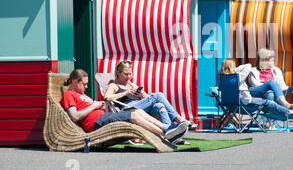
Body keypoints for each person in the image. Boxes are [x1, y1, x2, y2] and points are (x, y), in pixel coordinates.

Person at [60, 69, 188, 144]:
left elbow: (89, 107)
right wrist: (95, 105)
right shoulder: (69, 95)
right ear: (75, 82)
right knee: (134, 115)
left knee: (137, 112)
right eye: (84, 84)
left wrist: (99, 106)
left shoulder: (80, 93)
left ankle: (167, 129)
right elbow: (75, 116)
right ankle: (165, 132)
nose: (86, 87)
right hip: (96, 124)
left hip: (104, 117)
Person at [103, 61, 196, 131]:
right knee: (158, 95)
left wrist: (143, 95)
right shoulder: (114, 85)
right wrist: (125, 93)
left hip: (140, 108)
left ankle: (170, 133)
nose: (128, 77)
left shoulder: (132, 85)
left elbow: (150, 99)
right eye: (125, 74)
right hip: (128, 110)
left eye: (130, 74)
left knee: (159, 106)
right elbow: (106, 97)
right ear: (118, 73)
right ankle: (180, 119)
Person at [220, 59, 293, 118]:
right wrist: (235, 70)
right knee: (269, 102)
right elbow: (248, 66)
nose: (236, 67)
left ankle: (281, 113)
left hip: (229, 105)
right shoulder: (238, 77)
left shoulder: (222, 78)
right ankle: (288, 112)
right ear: (232, 67)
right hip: (245, 103)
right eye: (234, 66)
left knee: (269, 96)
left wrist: (229, 70)